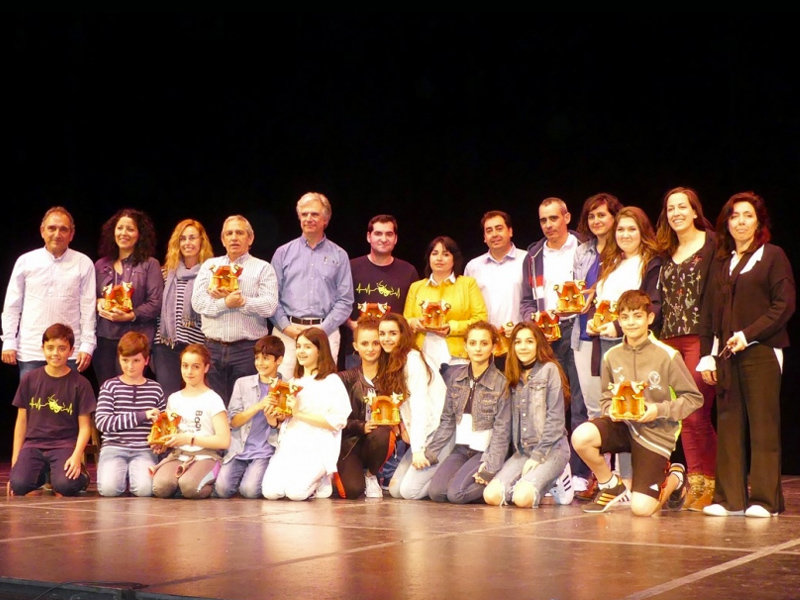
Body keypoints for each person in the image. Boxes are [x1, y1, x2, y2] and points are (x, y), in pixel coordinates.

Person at [699, 192, 795, 518]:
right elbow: (710, 315)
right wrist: (708, 355)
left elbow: (783, 306)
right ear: (727, 222)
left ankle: (765, 500)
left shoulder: (772, 256)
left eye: (748, 216)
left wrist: (748, 334)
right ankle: (729, 499)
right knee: (728, 424)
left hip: (762, 353)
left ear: (759, 222)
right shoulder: (722, 263)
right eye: (734, 216)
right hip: (726, 355)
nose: (741, 221)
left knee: (763, 426)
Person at [572, 290, 703, 516]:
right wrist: (610, 409)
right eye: (625, 317)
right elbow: (605, 397)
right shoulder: (611, 356)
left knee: (642, 510)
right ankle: (610, 485)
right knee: (581, 436)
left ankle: (676, 477)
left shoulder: (667, 355)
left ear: (649, 319)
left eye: (637, 316)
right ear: (619, 320)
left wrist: (657, 410)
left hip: (655, 432)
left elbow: (693, 398)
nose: (631, 323)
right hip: (624, 426)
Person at [519, 198, 592, 498]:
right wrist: (531, 319)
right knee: (547, 406)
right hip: (544, 334)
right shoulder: (534, 255)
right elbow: (526, 301)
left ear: (567, 217)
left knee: (579, 404)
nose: (548, 225)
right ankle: (551, 473)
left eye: (553, 218)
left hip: (577, 329)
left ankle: (580, 473)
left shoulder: (585, 247)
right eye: (543, 220)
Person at [587, 206, 662, 489]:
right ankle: (612, 479)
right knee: (611, 411)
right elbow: (603, 304)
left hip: (632, 345)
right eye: (620, 229)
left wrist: (618, 327)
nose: (625, 234)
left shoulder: (651, 263)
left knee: (634, 410)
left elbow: (651, 307)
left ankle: (635, 480)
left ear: (643, 232)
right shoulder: (611, 262)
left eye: (632, 229)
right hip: (604, 344)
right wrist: (597, 323)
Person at [655, 187, 718, 511]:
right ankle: (700, 482)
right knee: (681, 417)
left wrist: (714, 344)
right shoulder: (665, 251)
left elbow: (717, 297)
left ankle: (705, 482)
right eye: (670, 208)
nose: (676, 213)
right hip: (668, 341)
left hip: (698, 338)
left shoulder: (712, 246)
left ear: (695, 210)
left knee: (695, 414)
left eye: (683, 207)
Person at [483, 322, 573, 508]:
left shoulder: (550, 370)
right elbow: (503, 426)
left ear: (538, 344)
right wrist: (489, 463)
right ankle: (535, 480)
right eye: (518, 342)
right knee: (491, 496)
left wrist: (537, 456)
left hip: (551, 449)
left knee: (522, 499)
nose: (523, 347)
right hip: (523, 452)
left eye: (529, 341)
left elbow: (556, 420)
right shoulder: (512, 375)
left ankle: (557, 475)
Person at [192, 215, 279, 405]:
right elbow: (197, 303)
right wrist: (225, 304)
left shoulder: (263, 268)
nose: (234, 237)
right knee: (214, 405)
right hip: (212, 349)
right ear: (222, 240)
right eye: (229, 233)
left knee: (246, 406)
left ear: (250, 238)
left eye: (240, 233)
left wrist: (242, 302)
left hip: (248, 350)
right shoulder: (210, 266)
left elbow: (270, 306)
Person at [2, 207, 96, 376]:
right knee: (31, 403)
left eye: (63, 229)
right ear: (42, 231)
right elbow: (12, 305)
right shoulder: (26, 261)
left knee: (66, 403)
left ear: (72, 234)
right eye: (52, 228)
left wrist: (87, 345)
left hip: (69, 352)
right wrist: (9, 340)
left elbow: (88, 308)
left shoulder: (83, 263)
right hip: (31, 349)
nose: (57, 234)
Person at [426, 321, 511, 504]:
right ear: (465, 346)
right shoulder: (455, 377)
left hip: (485, 452)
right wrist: (430, 453)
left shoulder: (501, 383)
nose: (478, 349)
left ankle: (500, 479)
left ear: (494, 347)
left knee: (456, 495)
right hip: (462, 449)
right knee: (436, 493)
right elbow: (447, 420)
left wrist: (490, 466)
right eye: (473, 343)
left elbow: (502, 432)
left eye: (484, 343)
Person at [271, 192, 354, 379]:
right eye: (304, 214)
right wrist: (287, 327)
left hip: (325, 332)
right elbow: (271, 298)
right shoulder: (282, 253)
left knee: (322, 388)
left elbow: (345, 301)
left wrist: (321, 331)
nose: (309, 218)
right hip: (287, 332)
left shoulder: (339, 255)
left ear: (326, 219)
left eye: (315, 214)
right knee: (282, 387)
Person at [262, 328, 351, 501]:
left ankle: (322, 480)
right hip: (291, 445)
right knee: (270, 492)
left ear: (320, 350)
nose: (301, 351)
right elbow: (285, 419)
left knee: (296, 493)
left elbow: (338, 421)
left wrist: (299, 413)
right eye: (299, 346)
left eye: (307, 347)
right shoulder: (293, 381)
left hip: (317, 447)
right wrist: (272, 417)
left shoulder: (332, 381)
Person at [9, 323, 96, 497]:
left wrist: (77, 456)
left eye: (62, 348)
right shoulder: (29, 379)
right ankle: (44, 476)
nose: (55, 353)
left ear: (71, 351)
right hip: (34, 444)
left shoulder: (80, 384)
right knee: (18, 485)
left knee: (66, 485)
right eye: (50, 348)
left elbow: (85, 426)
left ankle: (80, 477)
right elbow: (21, 421)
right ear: (43, 349)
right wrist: (15, 459)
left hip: (64, 444)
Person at [379, 313, 448, 500]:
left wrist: (417, 450)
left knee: (409, 492)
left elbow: (419, 406)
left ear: (403, 334)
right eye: (382, 333)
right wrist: (403, 427)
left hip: (439, 432)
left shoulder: (413, 359)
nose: (386, 338)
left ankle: (448, 474)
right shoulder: (391, 361)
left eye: (392, 333)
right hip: (422, 434)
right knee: (395, 490)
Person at [150, 344, 231, 499]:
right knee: (160, 488)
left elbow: (224, 440)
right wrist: (162, 444)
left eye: (195, 367)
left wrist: (190, 439)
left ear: (206, 368)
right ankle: (182, 479)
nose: (189, 371)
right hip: (179, 455)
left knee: (191, 488)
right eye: (185, 366)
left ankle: (211, 478)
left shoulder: (213, 399)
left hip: (206, 455)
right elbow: (170, 433)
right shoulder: (174, 398)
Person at [94, 208, 163, 385]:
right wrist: (98, 302)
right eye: (120, 228)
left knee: (131, 391)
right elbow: (88, 297)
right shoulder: (100, 265)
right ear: (113, 231)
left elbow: (156, 303)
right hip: (104, 339)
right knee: (107, 391)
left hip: (137, 339)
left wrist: (131, 314)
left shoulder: (150, 264)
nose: (124, 233)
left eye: (130, 229)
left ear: (139, 235)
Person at [95, 332, 166, 497]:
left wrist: (160, 443)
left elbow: (163, 425)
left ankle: (132, 474)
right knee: (109, 490)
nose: (130, 366)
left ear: (146, 361)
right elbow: (103, 422)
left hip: (144, 450)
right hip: (114, 448)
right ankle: (121, 474)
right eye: (125, 360)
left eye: (136, 361)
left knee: (145, 490)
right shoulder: (110, 386)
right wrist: (142, 415)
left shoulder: (155, 389)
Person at [214, 335, 285, 499]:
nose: (260, 363)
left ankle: (251, 478)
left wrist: (275, 422)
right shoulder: (242, 383)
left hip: (265, 450)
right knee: (222, 490)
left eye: (266, 358)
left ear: (279, 360)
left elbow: (287, 427)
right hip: (239, 448)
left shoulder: (286, 387)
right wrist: (258, 406)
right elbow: (233, 421)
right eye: (257, 358)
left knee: (250, 491)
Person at [344, 215, 419, 369]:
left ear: (396, 238)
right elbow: (338, 302)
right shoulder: (350, 267)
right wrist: (351, 324)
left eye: (389, 234)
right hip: (359, 351)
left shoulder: (409, 271)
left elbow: (414, 311)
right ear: (368, 236)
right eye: (378, 233)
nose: (383, 239)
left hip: (395, 352)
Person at [152, 219, 215, 397]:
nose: (187, 243)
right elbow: (157, 309)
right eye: (183, 238)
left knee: (197, 396)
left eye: (192, 238)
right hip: (166, 346)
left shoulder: (210, 273)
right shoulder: (165, 273)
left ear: (201, 241)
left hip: (197, 345)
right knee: (168, 396)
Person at [404, 236, 488, 369]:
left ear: (454, 258)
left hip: (457, 358)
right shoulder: (416, 287)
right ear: (429, 258)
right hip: (421, 357)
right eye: (434, 253)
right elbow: (405, 320)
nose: (439, 258)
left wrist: (451, 328)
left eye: (446, 254)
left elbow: (481, 319)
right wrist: (414, 323)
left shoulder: (468, 284)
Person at [335, 318, 395, 499]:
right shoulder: (344, 378)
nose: (370, 349)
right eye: (365, 343)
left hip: (376, 439)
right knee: (352, 490)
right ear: (355, 346)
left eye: (375, 343)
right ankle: (337, 473)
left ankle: (371, 474)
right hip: (350, 441)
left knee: (383, 431)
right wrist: (361, 426)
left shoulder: (392, 377)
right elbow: (335, 418)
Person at [463, 210, 527, 370]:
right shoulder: (473, 267)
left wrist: (523, 328)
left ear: (510, 231)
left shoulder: (527, 260)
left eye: (499, 228)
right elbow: (467, 307)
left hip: (518, 341)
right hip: (484, 346)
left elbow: (536, 300)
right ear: (484, 237)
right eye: (489, 231)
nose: (494, 234)